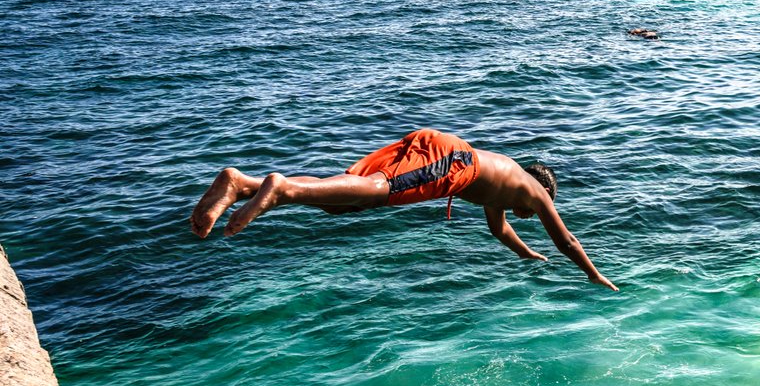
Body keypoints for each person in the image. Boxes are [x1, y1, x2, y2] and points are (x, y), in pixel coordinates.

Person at [188, 128, 618, 289]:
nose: (535, 214)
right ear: (545, 191)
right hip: (453, 161)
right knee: (377, 190)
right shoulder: (535, 190)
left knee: (346, 203)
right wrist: (594, 274)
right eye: (543, 207)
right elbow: (566, 239)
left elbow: (499, 230)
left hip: (442, 150)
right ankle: (280, 187)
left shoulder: (503, 191)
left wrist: (528, 255)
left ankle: (241, 185)